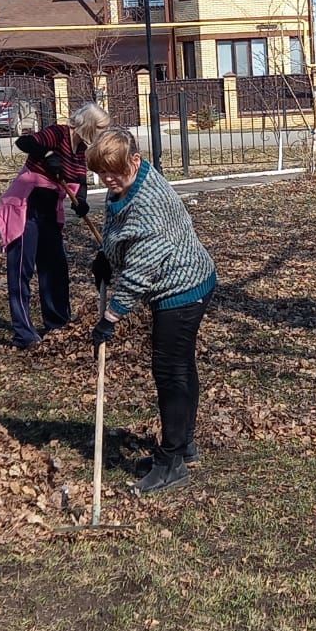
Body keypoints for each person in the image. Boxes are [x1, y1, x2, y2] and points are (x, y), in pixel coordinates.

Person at [87, 127, 217, 495]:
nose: (107, 180)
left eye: (114, 171)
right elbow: (118, 222)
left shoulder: (149, 205)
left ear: (135, 161)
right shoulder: (133, 181)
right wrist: (106, 256)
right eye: (101, 172)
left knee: (169, 370)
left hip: (181, 289)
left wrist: (109, 319)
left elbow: (139, 274)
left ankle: (172, 461)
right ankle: (184, 445)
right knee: (179, 367)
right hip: (188, 279)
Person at [0, 102, 112, 349]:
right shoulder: (57, 133)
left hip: (49, 213)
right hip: (26, 208)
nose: (101, 134)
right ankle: (23, 334)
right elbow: (25, 143)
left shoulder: (81, 152)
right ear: (88, 125)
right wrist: (48, 155)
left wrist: (82, 203)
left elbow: (80, 181)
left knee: (56, 269)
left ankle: (57, 323)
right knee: (21, 272)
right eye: (99, 128)